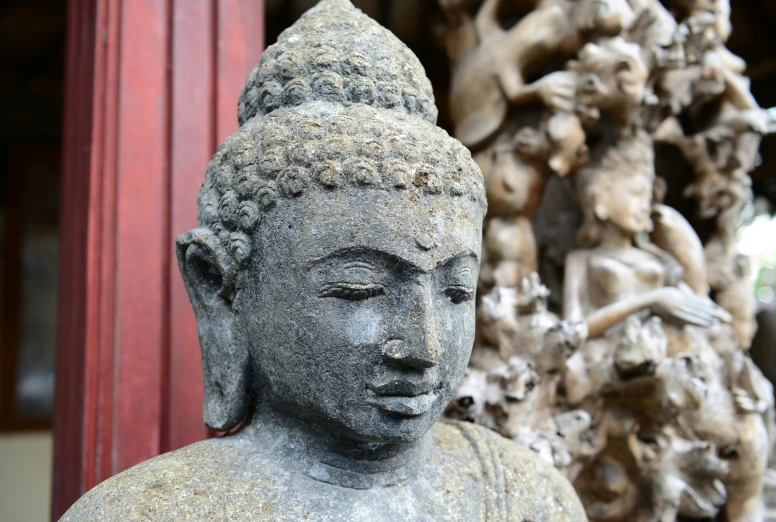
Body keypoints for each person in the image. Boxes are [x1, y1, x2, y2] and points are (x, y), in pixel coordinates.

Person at [61, 2, 586, 520]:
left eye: (456, 292)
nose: (424, 346)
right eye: (360, 288)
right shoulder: (143, 512)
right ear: (220, 287)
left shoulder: (525, 497)